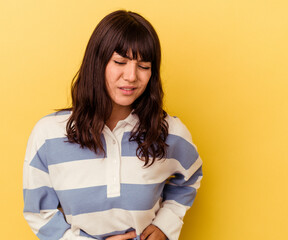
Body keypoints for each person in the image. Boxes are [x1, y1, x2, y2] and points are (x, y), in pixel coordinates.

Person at [23, 10, 203, 240]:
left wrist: (165, 225)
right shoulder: (49, 134)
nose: (131, 76)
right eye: (120, 62)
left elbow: (191, 176)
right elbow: (38, 213)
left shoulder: (169, 132)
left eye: (144, 66)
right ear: (97, 62)